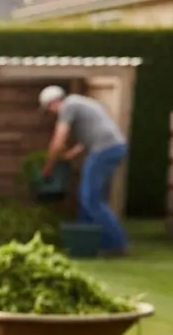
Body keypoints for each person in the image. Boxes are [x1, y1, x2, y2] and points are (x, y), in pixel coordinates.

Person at [39, 85, 128, 256]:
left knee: (90, 198)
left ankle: (116, 244)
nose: (51, 112)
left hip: (104, 150)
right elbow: (93, 131)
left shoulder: (69, 106)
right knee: (87, 197)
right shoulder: (81, 103)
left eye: (49, 108)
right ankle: (85, 243)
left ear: (53, 102)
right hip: (112, 147)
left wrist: (48, 166)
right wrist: (72, 153)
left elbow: (58, 139)